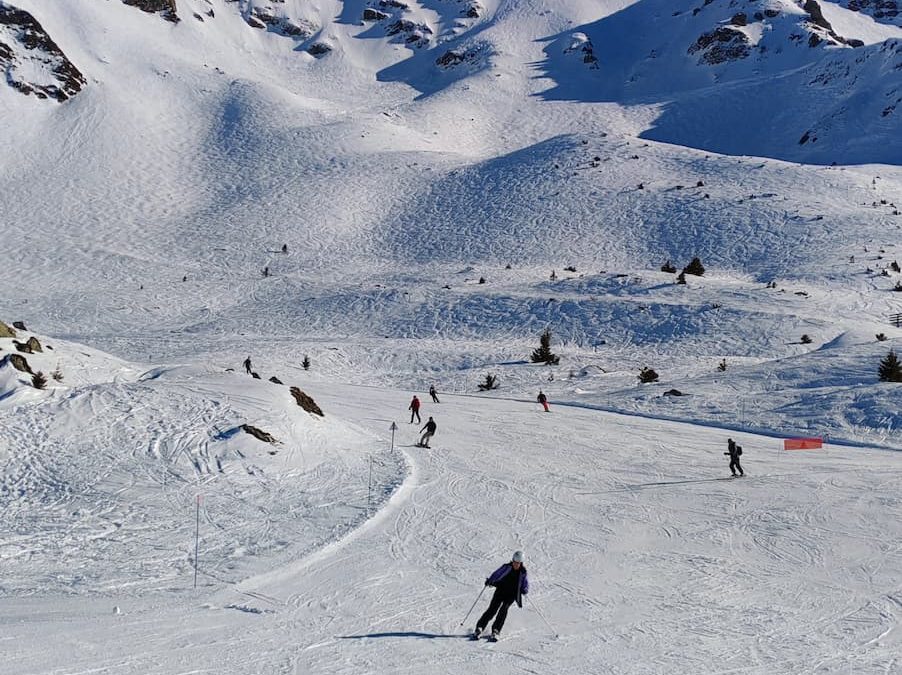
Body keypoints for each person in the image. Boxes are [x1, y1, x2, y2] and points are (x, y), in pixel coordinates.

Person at [474, 551, 529, 641]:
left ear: (521, 563)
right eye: (514, 562)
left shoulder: (523, 572)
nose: (516, 564)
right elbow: (497, 573)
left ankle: (496, 630)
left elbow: (525, 583)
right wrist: (490, 580)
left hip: (511, 595)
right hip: (500, 591)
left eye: (518, 563)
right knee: (492, 609)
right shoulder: (506, 567)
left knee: (504, 609)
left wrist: (525, 589)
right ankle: (480, 627)